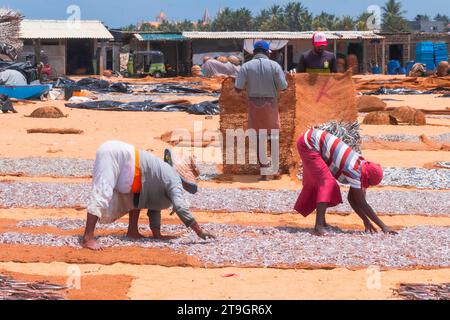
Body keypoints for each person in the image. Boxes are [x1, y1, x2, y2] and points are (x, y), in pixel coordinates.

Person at [81, 140, 215, 250]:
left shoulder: (164, 175)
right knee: (102, 191)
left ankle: (132, 231)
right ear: (185, 179)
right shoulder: (174, 180)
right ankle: (88, 238)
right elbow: (180, 207)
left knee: (137, 195)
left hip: (124, 158)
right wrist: (199, 231)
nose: (185, 187)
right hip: (116, 155)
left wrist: (157, 234)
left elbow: (153, 205)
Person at [294, 128, 397, 236]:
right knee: (327, 182)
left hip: (312, 140)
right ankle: (318, 227)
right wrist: (384, 227)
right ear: (367, 178)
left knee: (327, 184)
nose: (367, 186)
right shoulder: (355, 170)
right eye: (369, 183)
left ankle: (322, 223)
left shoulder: (361, 164)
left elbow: (352, 199)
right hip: (308, 143)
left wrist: (365, 220)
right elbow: (361, 202)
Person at [235, 41, 288, 180]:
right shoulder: (275, 66)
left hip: (254, 104)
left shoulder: (246, 66)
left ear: (254, 52)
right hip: (271, 104)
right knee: (273, 137)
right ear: (266, 52)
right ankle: (274, 170)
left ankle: (264, 172)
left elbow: (238, 88)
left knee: (259, 139)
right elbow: (283, 87)